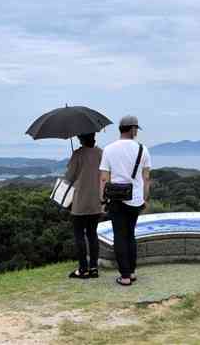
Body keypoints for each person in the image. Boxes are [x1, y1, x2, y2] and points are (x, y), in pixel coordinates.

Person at [99, 115, 152, 286]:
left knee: (119, 236)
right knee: (130, 235)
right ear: (133, 129)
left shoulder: (108, 149)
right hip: (135, 199)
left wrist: (102, 200)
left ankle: (125, 276)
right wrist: (144, 199)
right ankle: (132, 271)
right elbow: (146, 178)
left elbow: (104, 178)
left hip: (115, 199)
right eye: (136, 129)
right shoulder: (143, 149)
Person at [65, 132, 104, 279]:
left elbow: (69, 177)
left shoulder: (78, 154)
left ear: (80, 138)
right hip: (96, 201)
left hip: (80, 201)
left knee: (79, 235)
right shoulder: (101, 153)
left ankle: (83, 269)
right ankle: (93, 267)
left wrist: (72, 163)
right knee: (93, 234)